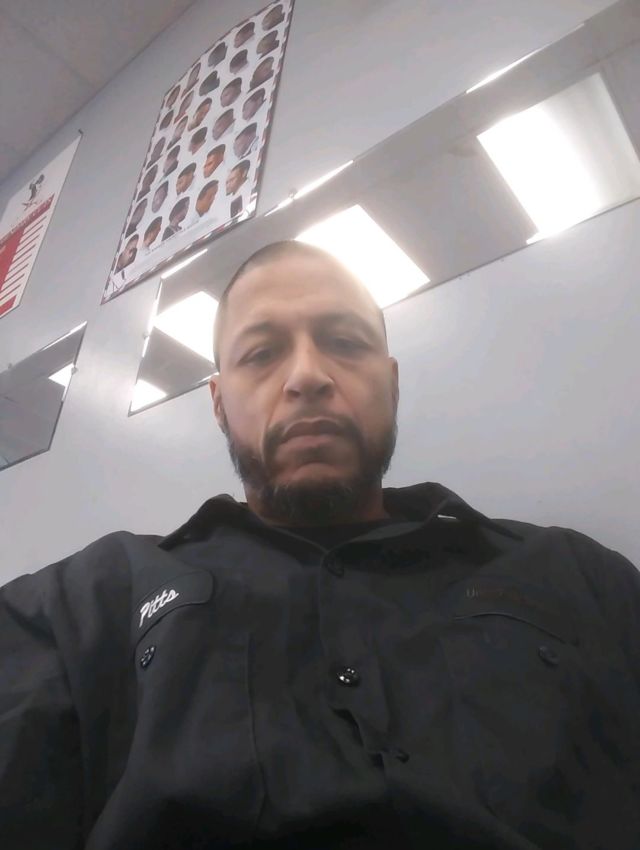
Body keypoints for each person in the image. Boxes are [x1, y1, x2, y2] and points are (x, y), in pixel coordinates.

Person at [2, 238, 639, 850]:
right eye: (261, 353)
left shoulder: (575, 576)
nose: (307, 376)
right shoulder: (91, 603)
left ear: (392, 384)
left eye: (346, 343)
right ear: (219, 404)